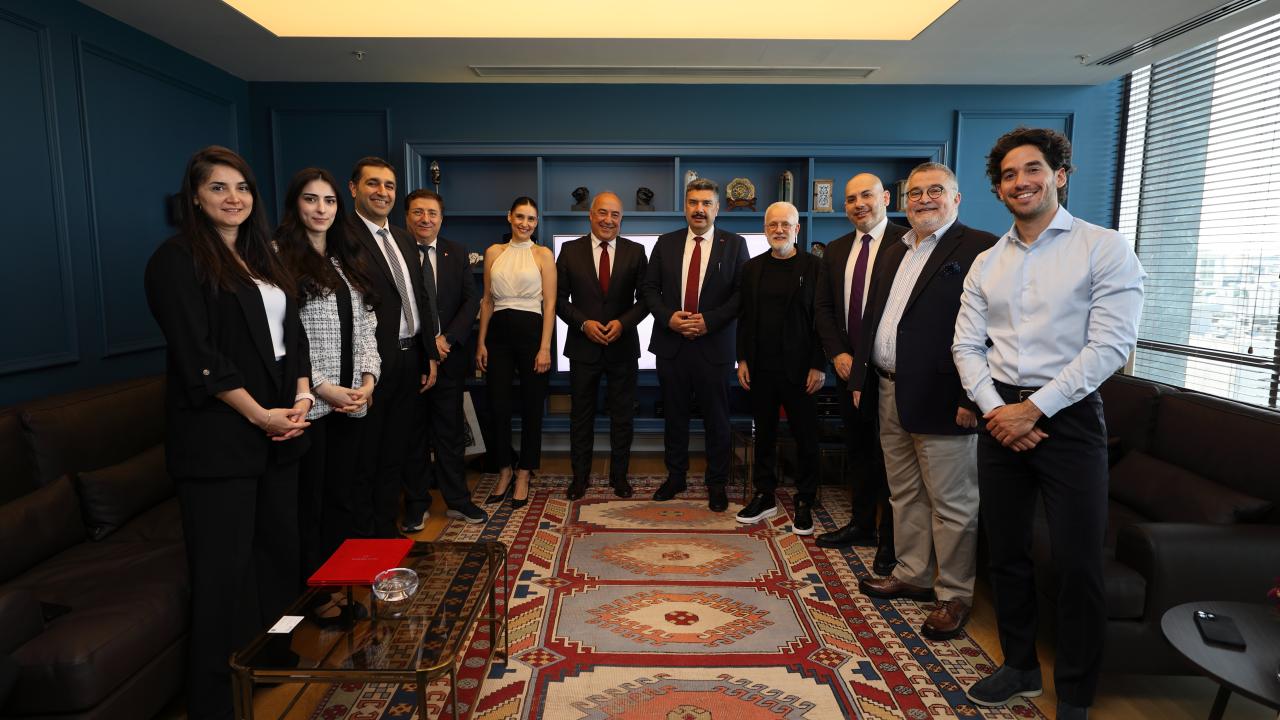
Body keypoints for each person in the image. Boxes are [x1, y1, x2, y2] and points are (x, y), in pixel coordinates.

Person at [955, 128, 1145, 720]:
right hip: (999, 416)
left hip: (1070, 418)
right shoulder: (986, 262)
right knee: (1006, 553)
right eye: (1009, 175)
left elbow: (1110, 346)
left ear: (1059, 175)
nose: (1021, 182)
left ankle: (1077, 694)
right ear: (998, 189)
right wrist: (997, 411)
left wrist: (1034, 410)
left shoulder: (1103, 248)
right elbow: (966, 346)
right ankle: (1018, 667)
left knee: (1078, 562)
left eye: (1032, 169)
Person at [144, 145, 312, 720]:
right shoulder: (176, 260)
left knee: (279, 557)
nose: (233, 198)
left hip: (281, 432)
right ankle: (216, 699)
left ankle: (274, 656)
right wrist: (260, 414)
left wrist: (301, 398)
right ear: (194, 197)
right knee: (224, 572)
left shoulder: (263, 258)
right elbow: (200, 358)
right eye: (218, 187)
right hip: (220, 441)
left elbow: (293, 337)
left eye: (242, 187)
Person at [850, 162, 996, 642]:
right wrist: (864, 376)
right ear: (903, 200)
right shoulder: (897, 248)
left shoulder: (980, 248)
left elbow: (995, 329)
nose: (924, 199)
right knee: (904, 492)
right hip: (890, 388)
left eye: (936, 190)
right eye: (915, 193)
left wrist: (972, 396)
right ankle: (912, 572)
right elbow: (876, 316)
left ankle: (953, 593)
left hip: (945, 397)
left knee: (952, 502)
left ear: (957, 198)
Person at [274, 167, 380, 599]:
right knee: (311, 503)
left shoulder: (346, 258)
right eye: (311, 199)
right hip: (310, 405)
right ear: (295, 204)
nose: (321, 209)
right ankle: (315, 595)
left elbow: (367, 325)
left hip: (353, 400)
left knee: (343, 497)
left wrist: (368, 380)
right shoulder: (278, 258)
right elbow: (285, 336)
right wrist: (321, 386)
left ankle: (339, 585)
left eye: (329, 200)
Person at [813, 173, 909, 576]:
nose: (858, 204)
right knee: (859, 449)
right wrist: (837, 353)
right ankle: (861, 524)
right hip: (847, 367)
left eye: (866, 195)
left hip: (889, 368)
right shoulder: (836, 249)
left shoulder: (908, 242)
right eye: (851, 199)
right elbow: (823, 308)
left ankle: (891, 541)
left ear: (885, 197)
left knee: (892, 458)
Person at [641, 178, 750, 511]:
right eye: (693, 203)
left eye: (706, 203)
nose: (699, 209)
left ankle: (716, 483)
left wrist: (709, 321)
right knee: (674, 417)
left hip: (714, 346)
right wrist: (669, 318)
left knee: (717, 419)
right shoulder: (666, 243)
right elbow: (649, 290)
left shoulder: (735, 244)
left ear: (717, 208)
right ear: (685, 207)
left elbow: (741, 295)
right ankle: (676, 477)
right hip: (672, 344)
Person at [346, 157, 438, 538]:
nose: (382, 192)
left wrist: (429, 353)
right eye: (373, 184)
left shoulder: (402, 237)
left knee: (395, 451)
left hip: (409, 356)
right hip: (370, 363)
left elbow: (420, 298)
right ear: (354, 188)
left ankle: (385, 532)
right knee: (365, 454)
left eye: (389, 186)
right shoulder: (342, 237)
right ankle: (363, 537)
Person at [734, 202, 825, 534]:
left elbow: (823, 320)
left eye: (785, 224)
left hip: (802, 370)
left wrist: (819, 364)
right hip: (761, 367)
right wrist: (742, 359)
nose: (779, 230)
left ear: (796, 229)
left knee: (805, 436)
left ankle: (805, 498)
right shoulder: (752, 268)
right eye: (772, 224)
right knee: (764, 434)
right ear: (765, 229)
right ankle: (765, 494)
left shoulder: (815, 267)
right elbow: (744, 318)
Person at [401, 189, 488, 530]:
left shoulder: (457, 252)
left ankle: (458, 501)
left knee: (450, 433)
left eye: (432, 213)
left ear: (441, 218)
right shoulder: (398, 252)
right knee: (413, 435)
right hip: (410, 359)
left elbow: (470, 301)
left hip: (449, 357)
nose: (426, 219)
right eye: (418, 212)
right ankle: (416, 503)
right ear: (407, 216)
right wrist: (426, 347)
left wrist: (446, 340)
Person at [556, 191, 648, 500]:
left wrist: (623, 323)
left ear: (621, 219)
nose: (609, 220)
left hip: (623, 347)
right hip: (583, 347)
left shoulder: (636, 252)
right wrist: (584, 323)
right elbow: (558, 299)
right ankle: (579, 478)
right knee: (581, 417)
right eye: (603, 213)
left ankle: (619, 478)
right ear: (591, 215)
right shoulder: (570, 251)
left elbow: (646, 299)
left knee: (623, 417)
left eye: (615, 215)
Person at [476, 197, 556, 508]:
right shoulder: (493, 252)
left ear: (536, 223)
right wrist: (481, 342)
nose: (525, 223)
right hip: (497, 335)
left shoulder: (543, 254)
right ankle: (505, 470)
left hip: (533, 333)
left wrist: (545, 347)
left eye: (531, 219)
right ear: (509, 217)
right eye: (520, 216)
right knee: (498, 405)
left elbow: (550, 304)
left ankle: (524, 473)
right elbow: (487, 300)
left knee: (532, 406)